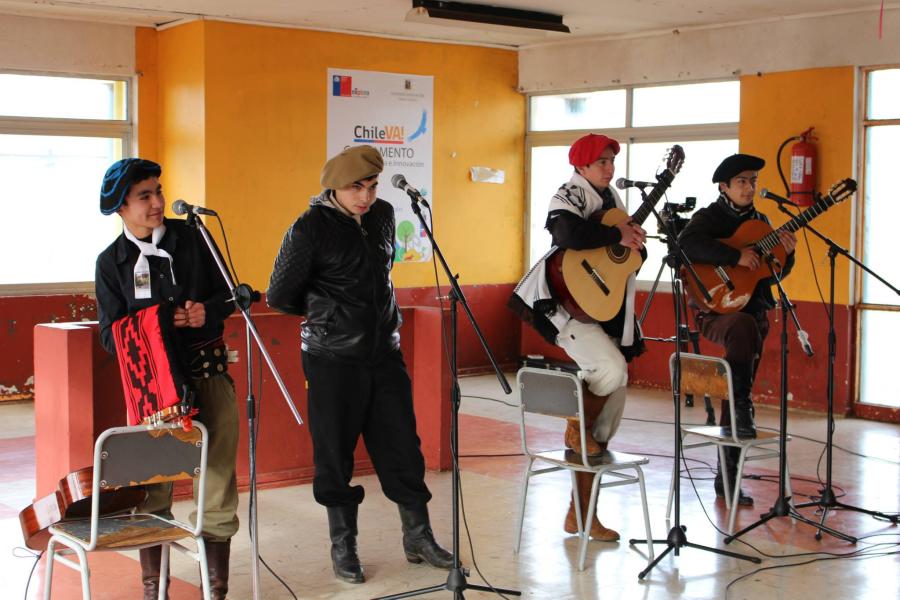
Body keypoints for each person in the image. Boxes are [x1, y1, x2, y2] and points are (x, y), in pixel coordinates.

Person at [266, 145, 453, 584]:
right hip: (332, 359)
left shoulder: (384, 215)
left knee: (403, 447)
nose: (365, 196)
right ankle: (343, 546)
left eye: (371, 186)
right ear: (334, 187)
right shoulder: (309, 228)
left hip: (384, 353)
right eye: (356, 188)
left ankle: (418, 536)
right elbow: (280, 295)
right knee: (335, 454)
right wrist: (328, 315)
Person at [95, 158, 239, 600]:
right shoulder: (111, 264)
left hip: (210, 376)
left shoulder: (194, 238)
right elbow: (108, 336)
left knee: (216, 484)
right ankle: (152, 589)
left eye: (158, 191)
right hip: (152, 394)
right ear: (121, 207)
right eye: (145, 196)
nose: (158, 202)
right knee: (151, 488)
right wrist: (157, 322)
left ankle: (216, 590)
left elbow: (230, 293)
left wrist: (206, 312)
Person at [509, 133, 646, 543]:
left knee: (610, 402)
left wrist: (635, 244)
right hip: (560, 302)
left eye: (612, 161)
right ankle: (577, 422)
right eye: (601, 162)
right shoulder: (568, 192)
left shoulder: (615, 204)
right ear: (582, 167)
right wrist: (615, 237)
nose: (609, 168)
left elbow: (624, 256)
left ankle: (581, 514)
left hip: (602, 306)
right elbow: (565, 235)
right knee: (610, 368)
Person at [678, 153, 797, 506]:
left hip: (752, 311)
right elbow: (685, 246)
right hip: (716, 309)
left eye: (753, 181)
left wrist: (787, 256)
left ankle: (727, 477)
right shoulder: (708, 218)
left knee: (736, 382)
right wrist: (733, 256)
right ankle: (742, 406)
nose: (749, 187)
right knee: (741, 346)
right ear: (724, 186)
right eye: (742, 181)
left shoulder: (762, 222)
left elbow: (769, 273)